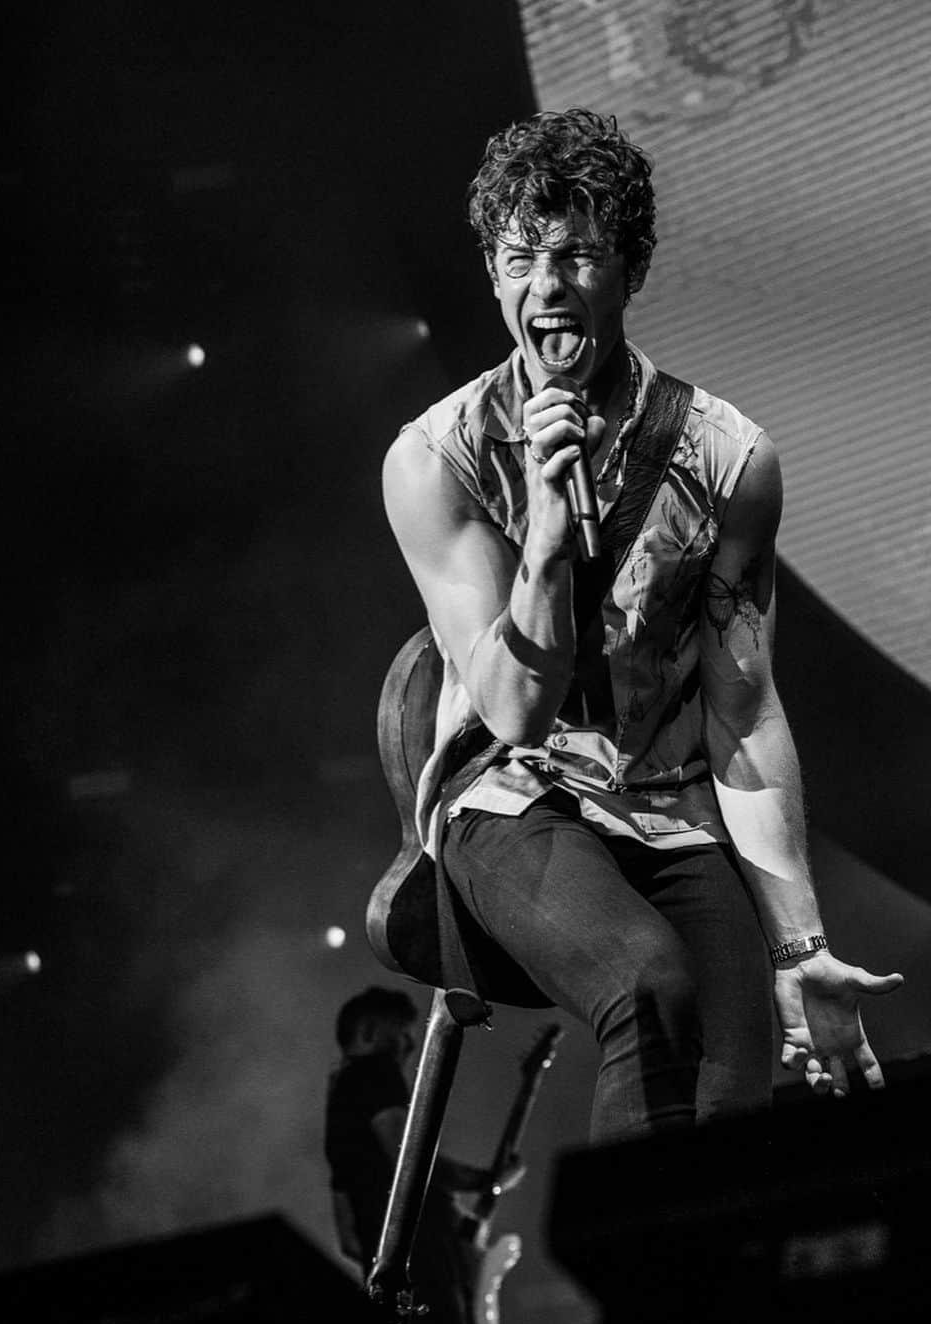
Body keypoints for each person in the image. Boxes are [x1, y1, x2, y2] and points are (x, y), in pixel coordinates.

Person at [380, 107, 904, 1142]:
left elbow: (744, 712)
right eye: (521, 257)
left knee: (737, 1059)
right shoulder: (436, 458)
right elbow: (515, 708)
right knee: (648, 979)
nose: (548, 287)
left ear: (630, 267)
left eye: (577, 255)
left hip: (667, 802)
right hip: (511, 797)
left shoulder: (727, 457)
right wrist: (541, 522)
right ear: (492, 274)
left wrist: (800, 946)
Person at [324, 985, 525, 1324]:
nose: (409, 1045)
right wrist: (489, 1180)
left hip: (391, 1285)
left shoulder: (338, 1105)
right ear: (368, 1030)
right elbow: (408, 1157)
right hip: (428, 1267)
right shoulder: (374, 1072)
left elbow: (350, 1240)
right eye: (401, 1033)